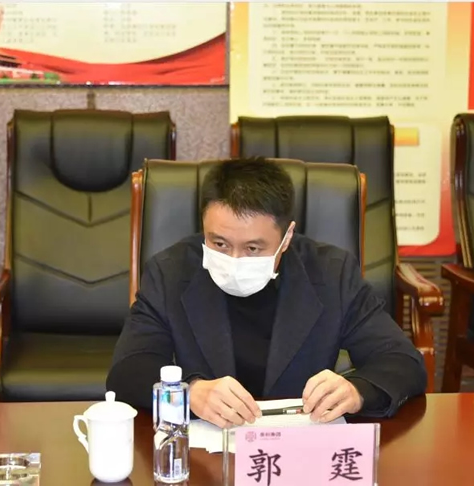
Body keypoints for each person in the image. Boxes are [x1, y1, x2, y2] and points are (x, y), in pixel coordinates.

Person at [107, 158, 426, 428]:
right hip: (209, 454)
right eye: (219, 243)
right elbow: (128, 370)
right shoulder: (170, 272)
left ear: (287, 238)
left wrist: (356, 391)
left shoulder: (331, 273)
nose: (234, 259)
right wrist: (189, 393)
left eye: (253, 248)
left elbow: (402, 361)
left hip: (299, 450)